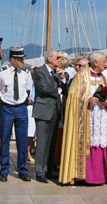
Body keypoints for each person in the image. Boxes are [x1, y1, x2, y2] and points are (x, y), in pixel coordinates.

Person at [60, 52, 107, 185]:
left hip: (101, 116)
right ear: (96, 62)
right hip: (87, 117)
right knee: (89, 143)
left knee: (100, 144)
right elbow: (73, 97)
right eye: (104, 61)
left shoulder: (103, 77)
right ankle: (84, 176)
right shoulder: (81, 76)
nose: (106, 64)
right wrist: (88, 100)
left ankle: (100, 177)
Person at [0, 47, 33, 182]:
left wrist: (21, 102)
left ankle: (22, 169)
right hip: (7, 108)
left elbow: (27, 91)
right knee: (5, 139)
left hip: (21, 108)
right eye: (20, 59)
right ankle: (5, 169)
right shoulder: (2, 72)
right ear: (12, 60)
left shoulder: (26, 73)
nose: (23, 61)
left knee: (22, 140)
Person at [32, 49, 68, 183]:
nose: (59, 60)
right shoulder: (39, 71)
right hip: (43, 111)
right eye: (57, 57)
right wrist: (57, 91)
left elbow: (66, 90)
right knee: (42, 143)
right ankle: (39, 172)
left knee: (51, 142)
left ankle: (48, 169)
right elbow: (44, 89)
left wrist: (63, 78)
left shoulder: (56, 73)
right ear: (49, 59)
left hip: (55, 111)